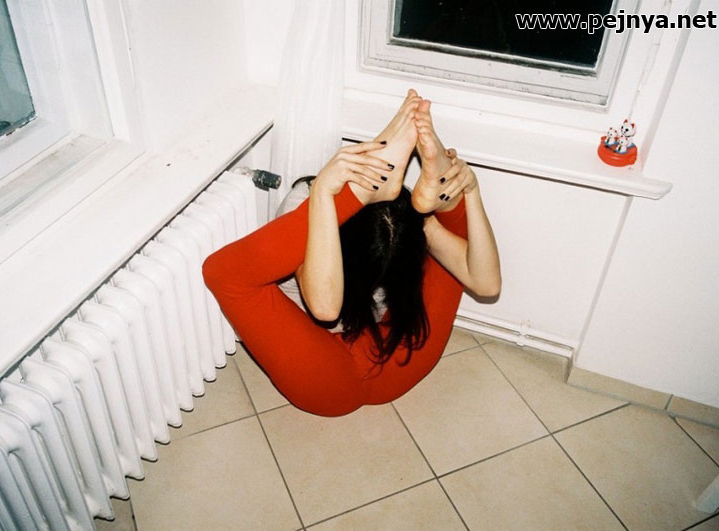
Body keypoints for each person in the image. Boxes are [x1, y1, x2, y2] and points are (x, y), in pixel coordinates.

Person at [202, 90, 501, 417]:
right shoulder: (306, 204)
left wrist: (470, 191)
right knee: (226, 274)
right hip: (330, 371)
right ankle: (387, 192)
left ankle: (446, 189)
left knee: (450, 244)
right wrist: (324, 195)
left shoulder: (399, 213)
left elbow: (486, 284)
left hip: (388, 354)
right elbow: (325, 308)